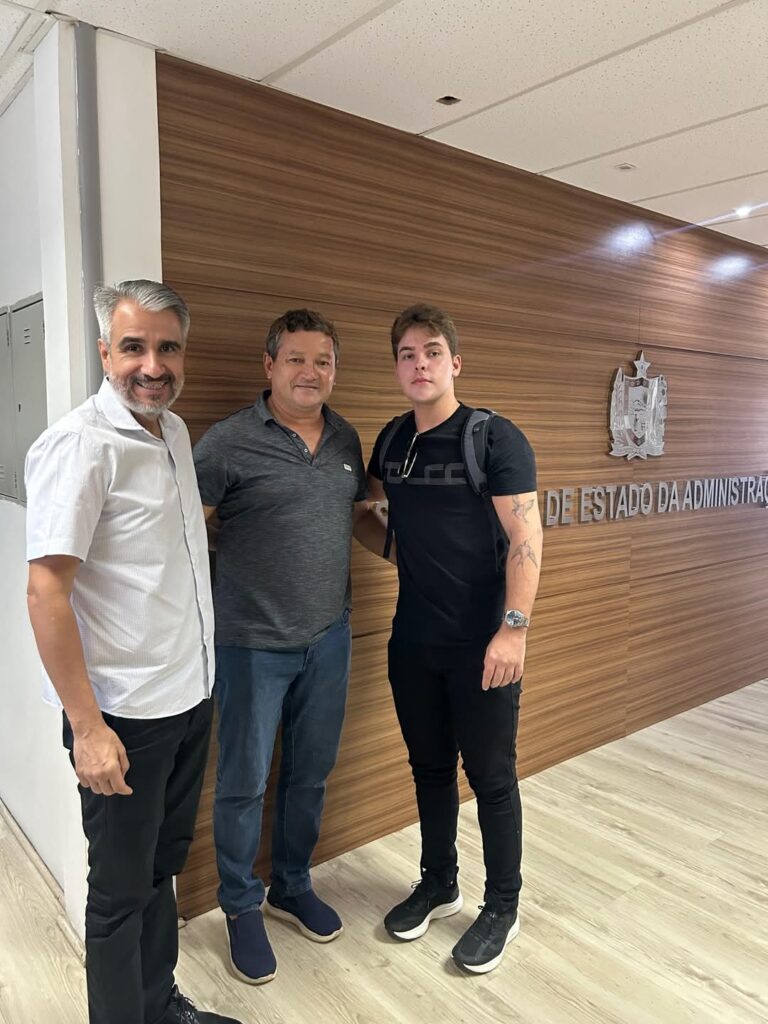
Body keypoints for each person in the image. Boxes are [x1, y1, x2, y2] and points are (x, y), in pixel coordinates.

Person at [25, 280, 242, 1024]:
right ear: (103, 353)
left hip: (187, 698)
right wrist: (87, 729)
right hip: (122, 720)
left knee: (161, 871)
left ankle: (158, 1003)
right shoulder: (80, 445)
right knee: (119, 896)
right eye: (133, 347)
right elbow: (45, 592)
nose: (153, 365)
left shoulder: (173, 431)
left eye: (168, 347)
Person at [194, 308, 371, 985]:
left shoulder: (346, 437)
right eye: (296, 359)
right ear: (269, 365)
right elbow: (188, 533)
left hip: (329, 638)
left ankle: (292, 885)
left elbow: (355, 519)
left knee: (309, 773)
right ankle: (241, 905)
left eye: (322, 361)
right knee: (242, 783)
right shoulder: (226, 443)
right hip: (250, 645)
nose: (310, 372)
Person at [365, 303, 542, 974]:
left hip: (483, 642)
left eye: (432, 351)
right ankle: (439, 883)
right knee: (430, 769)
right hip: (413, 639)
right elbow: (365, 511)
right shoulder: (392, 440)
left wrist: (513, 631)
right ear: (396, 367)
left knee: (491, 777)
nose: (420, 364)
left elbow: (526, 536)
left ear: (455, 363)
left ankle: (502, 906)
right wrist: (404, 554)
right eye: (407, 354)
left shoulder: (493, 438)